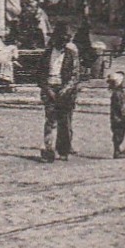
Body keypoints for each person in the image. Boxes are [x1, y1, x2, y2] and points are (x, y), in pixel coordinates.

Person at [38, 26, 81, 162]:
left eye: (65, 41)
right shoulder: (46, 54)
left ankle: (63, 150)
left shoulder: (71, 55)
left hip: (65, 91)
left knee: (65, 121)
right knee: (50, 121)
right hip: (50, 88)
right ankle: (49, 150)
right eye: (60, 40)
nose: (62, 43)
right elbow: (40, 74)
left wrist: (65, 90)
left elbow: (75, 76)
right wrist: (47, 89)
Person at [108, 70, 125, 158]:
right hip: (119, 119)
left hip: (116, 118)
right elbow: (122, 107)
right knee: (119, 135)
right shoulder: (119, 94)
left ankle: (117, 150)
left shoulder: (116, 93)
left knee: (118, 134)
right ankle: (117, 152)